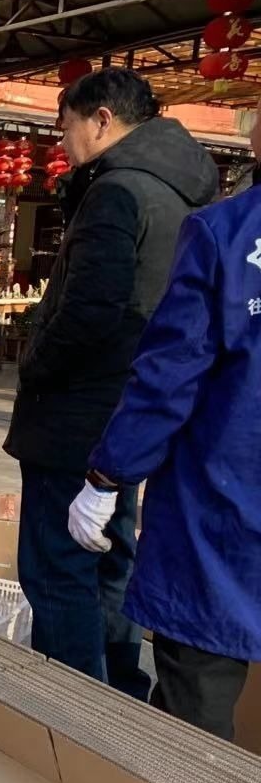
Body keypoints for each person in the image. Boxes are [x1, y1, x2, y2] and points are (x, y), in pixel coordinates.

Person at [4, 68, 218, 700]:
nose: (62, 142)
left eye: (65, 127)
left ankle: (71, 709)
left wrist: (37, 366)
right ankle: (118, 693)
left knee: (59, 566)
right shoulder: (183, 188)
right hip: (129, 412)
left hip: (77, 412)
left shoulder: (117, 190)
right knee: (109, 556)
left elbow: (91, 308)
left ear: (102, 119)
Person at [67, 188, 260, 740]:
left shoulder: (227, 233)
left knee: (195, 706)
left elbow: (172, 373)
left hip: (221, 508)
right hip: (229, 498)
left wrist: (108, 475)